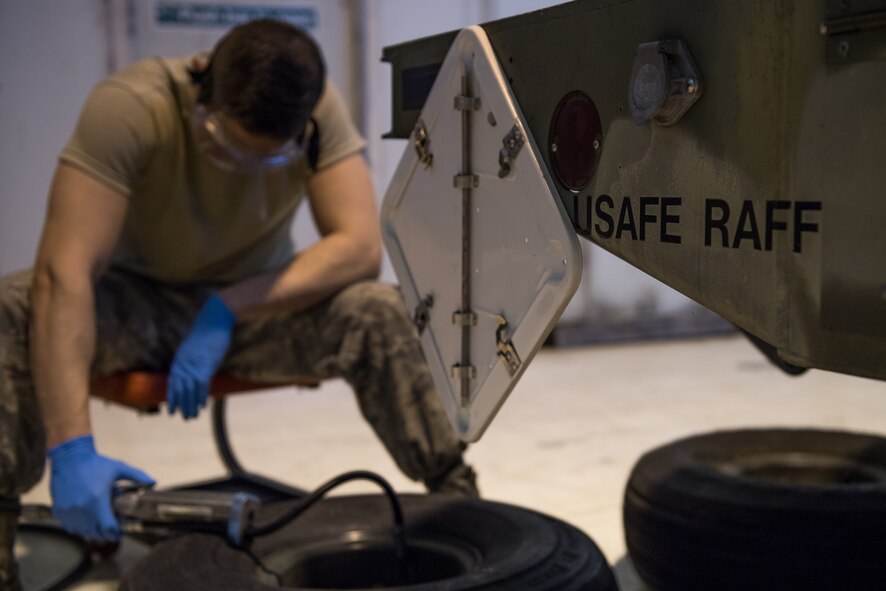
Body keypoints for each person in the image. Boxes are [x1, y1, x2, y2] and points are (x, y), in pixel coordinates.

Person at [0, 18, 477, 590]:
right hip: (139, 303)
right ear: (201, 82)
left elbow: (358, 250)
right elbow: (66, 272)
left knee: (378, 309)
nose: (239, 168)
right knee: (16, 306)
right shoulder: (130, 107)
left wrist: (227, 307)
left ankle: (465, 512)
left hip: (253, 307)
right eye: (222, 145)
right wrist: (71, 448)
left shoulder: (315, 108)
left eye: (267, 159)